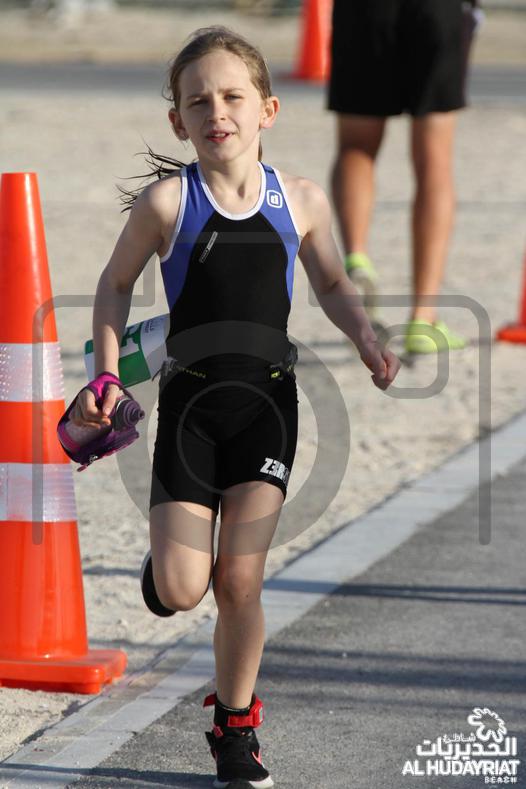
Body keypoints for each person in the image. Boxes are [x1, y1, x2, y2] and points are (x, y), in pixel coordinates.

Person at [70, 26, 400, 788]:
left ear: (267, 109)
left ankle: (235, 728)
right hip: (190, 408)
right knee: (184, 588)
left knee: (239, 582)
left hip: (267, 409)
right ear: (177, 122)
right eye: (198, 101)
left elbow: (330, 282)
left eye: (232, 96)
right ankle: (164, 572)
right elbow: (115, 284)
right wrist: (107, 375)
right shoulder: (167, 202)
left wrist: (364, 335)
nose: (216, 111)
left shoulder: (301, 199)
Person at [329, 0, 479, 354]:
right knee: (434, 162)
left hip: (364, 11)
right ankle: (422, 319)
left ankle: (357, 256)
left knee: (356, 146)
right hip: (436, 10)